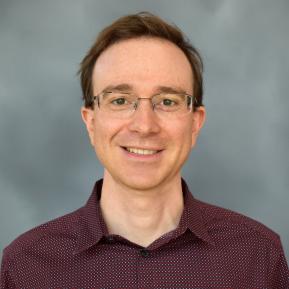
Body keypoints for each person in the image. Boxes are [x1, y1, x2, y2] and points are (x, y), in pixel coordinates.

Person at [1, 12, 288, 288]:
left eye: (167, 102)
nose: (144, 125)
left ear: (195, 124)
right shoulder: (26, 267)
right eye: (119, 100)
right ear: (91, 122)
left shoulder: (257, 256)